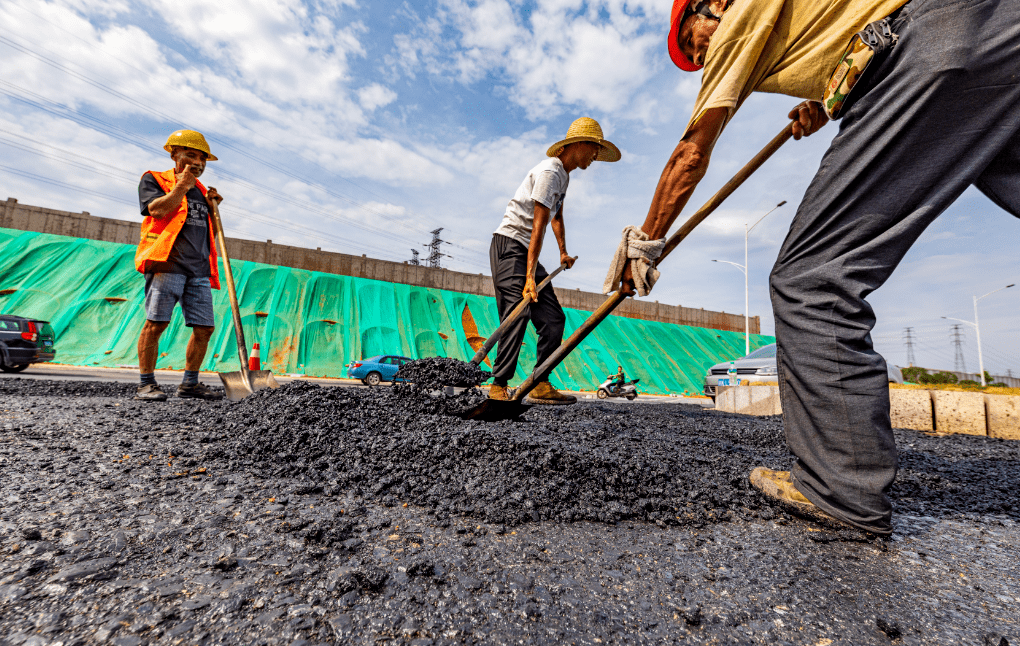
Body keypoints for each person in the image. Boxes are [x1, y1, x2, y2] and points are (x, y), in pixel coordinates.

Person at [621, 0, 1020, 536]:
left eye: (697, 44)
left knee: (810, 279)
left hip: (930, 49)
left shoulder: (736, 19)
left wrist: (645, 242)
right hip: (996, 26)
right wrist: (828, 99)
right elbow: (849, 31)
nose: (703, 57)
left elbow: (691, 153)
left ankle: (842, 488)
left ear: (710, 5)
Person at [489, 117, 621, 404]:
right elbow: (538, 226)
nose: (596, 157)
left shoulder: (564, 176)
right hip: (510, 245)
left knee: (553, 319)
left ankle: (539, 383)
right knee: (518, 313)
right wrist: (529, 278)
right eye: (595, 149)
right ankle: (498, 386)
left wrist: (563, 251)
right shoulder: (549, 171)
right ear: (580, 144)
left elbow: (556, 217)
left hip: (526, 251)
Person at [134, 129, 225, 401]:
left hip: (198, 269)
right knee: (157, 323)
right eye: (191, 155)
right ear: (175, 154)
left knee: (204, 328)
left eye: (202, 159)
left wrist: (214, 209)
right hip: (167, 264)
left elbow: (208, 233)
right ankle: (146, 384)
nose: (198, 163)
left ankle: (189, 384)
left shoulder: (203, 192)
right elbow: (157, 210)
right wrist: (182, 186)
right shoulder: (155, 179)